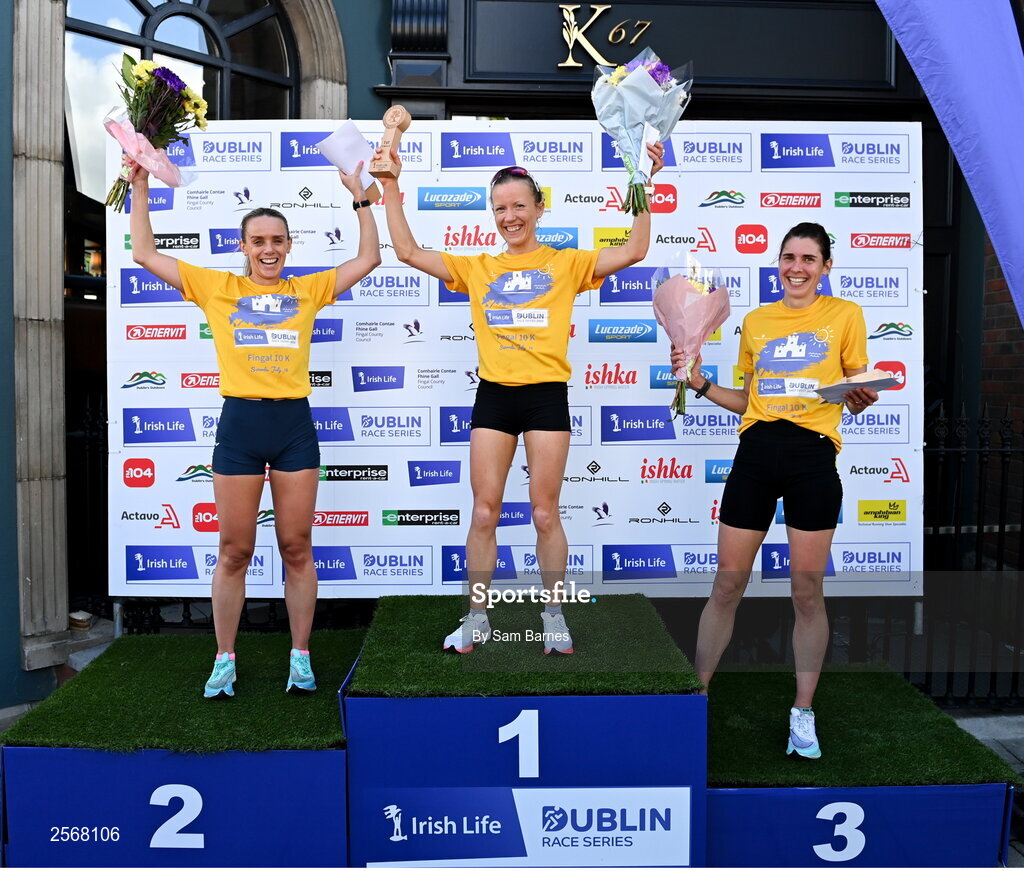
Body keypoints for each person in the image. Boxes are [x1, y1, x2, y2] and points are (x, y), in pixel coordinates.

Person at [378, 142, 665, 655]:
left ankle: (553, 614)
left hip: (546, 399)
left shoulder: (566, 262)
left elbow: (634, 251)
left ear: (538, 208)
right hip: (494, 398)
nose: (510, 217)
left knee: (544, 514)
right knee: (484, 512)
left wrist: (644, 183)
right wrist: (392, 185)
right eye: (500, 208)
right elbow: (407, 252)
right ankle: (477, 617)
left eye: (518, 206)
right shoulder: (479, 267)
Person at [128, 164, 381, 698]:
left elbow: (368, 258)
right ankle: (224, 658)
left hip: (292, 426)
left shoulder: (307, 290)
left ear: (289, 245)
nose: (268, 250)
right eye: (258, 241)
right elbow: (145, 254)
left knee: (296, 546)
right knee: (234, 550)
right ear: (243, 245)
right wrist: (141, 186)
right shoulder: (217, 287)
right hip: (240, 426)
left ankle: (301, 657)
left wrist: (361, 199)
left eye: (277, 241)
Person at [675, 222, 878, 758]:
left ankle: (802, 712)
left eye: (809, 259)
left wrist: (860, 399)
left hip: (813, 459)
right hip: (756, 456)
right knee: (726, 586)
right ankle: (696, 698)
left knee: (806, 593)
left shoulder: (845, 316)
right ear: (778, 263)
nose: (797, 267)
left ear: (825, 267)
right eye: (789, 257)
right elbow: (748, 401)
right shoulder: (757, 321)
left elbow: (857, 386)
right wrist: (696, 382)